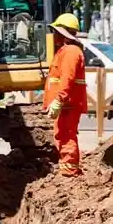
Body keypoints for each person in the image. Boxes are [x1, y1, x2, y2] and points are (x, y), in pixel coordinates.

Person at [43, 13, 88, 177]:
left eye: (56, 32)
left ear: (63, 33)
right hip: (67, 102)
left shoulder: (70, 52)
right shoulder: (67, 51)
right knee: (63, 134)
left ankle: (69, 171)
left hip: (68, 102)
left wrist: (59, 100)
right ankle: (67, 168)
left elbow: (67, 78)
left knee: (66, 134)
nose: (53, 35)